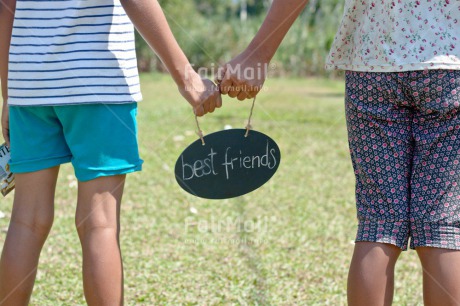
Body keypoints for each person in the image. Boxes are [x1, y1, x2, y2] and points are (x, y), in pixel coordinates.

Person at [218, 0, 460, 305]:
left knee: (378, 220)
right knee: (442, 225)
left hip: (372, 63)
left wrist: (258, 53)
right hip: (451, 64)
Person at [0, 0, 221, 304]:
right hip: (100, 81)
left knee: (26, 220)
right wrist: (187, 77)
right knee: (99, 223)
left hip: (30, 85)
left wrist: (9, 94)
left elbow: (6, 7)